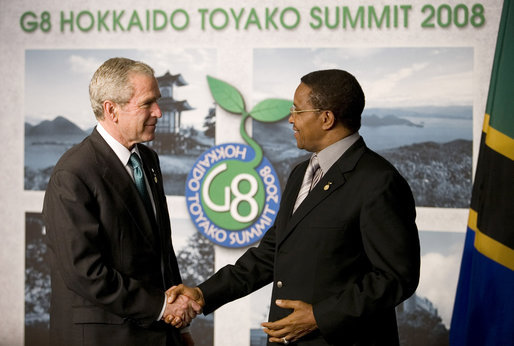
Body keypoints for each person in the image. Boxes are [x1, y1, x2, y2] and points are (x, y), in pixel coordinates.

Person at [167, 69, 421, 345]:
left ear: (326, 118)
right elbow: (270, 254)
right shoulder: (301, 173)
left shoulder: (379, 181)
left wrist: (319, 317)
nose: (290, 119)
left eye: (297, 111)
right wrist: (204, 295)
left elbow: (396, 277)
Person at [42, 57, 198, 346]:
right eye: (147, 103)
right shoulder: (73, 173)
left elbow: (161, 250)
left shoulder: (148, 160)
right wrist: (163, 308)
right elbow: (85, 272)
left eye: (158, 101)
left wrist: (180, 327)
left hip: (158, 333)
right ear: (111, 109)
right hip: (103, 337)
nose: (159, 112)